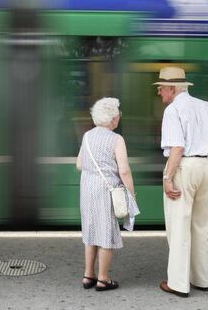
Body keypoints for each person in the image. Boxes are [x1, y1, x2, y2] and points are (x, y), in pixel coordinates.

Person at [154, 67, 208, 297]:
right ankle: (201, 279)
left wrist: (167, 178)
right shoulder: (206, 106)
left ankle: (178, 284)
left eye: (162, 88)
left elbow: (177, 147)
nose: (160, 93)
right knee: (201, 227)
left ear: (172, 89)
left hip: (185, 167)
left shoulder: (173, 110)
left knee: (179, 226)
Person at [76, 97, 137, 291]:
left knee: (91, 230)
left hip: (87, 187)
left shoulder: (87, 136)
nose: (119, 117)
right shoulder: (116, 139)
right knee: (106, 233)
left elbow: (79, 164)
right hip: (106, 189)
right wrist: (132, 193)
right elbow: (124, 171)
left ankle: (88, 275)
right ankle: (103, 278)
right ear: (112, 118)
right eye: (118, 114)